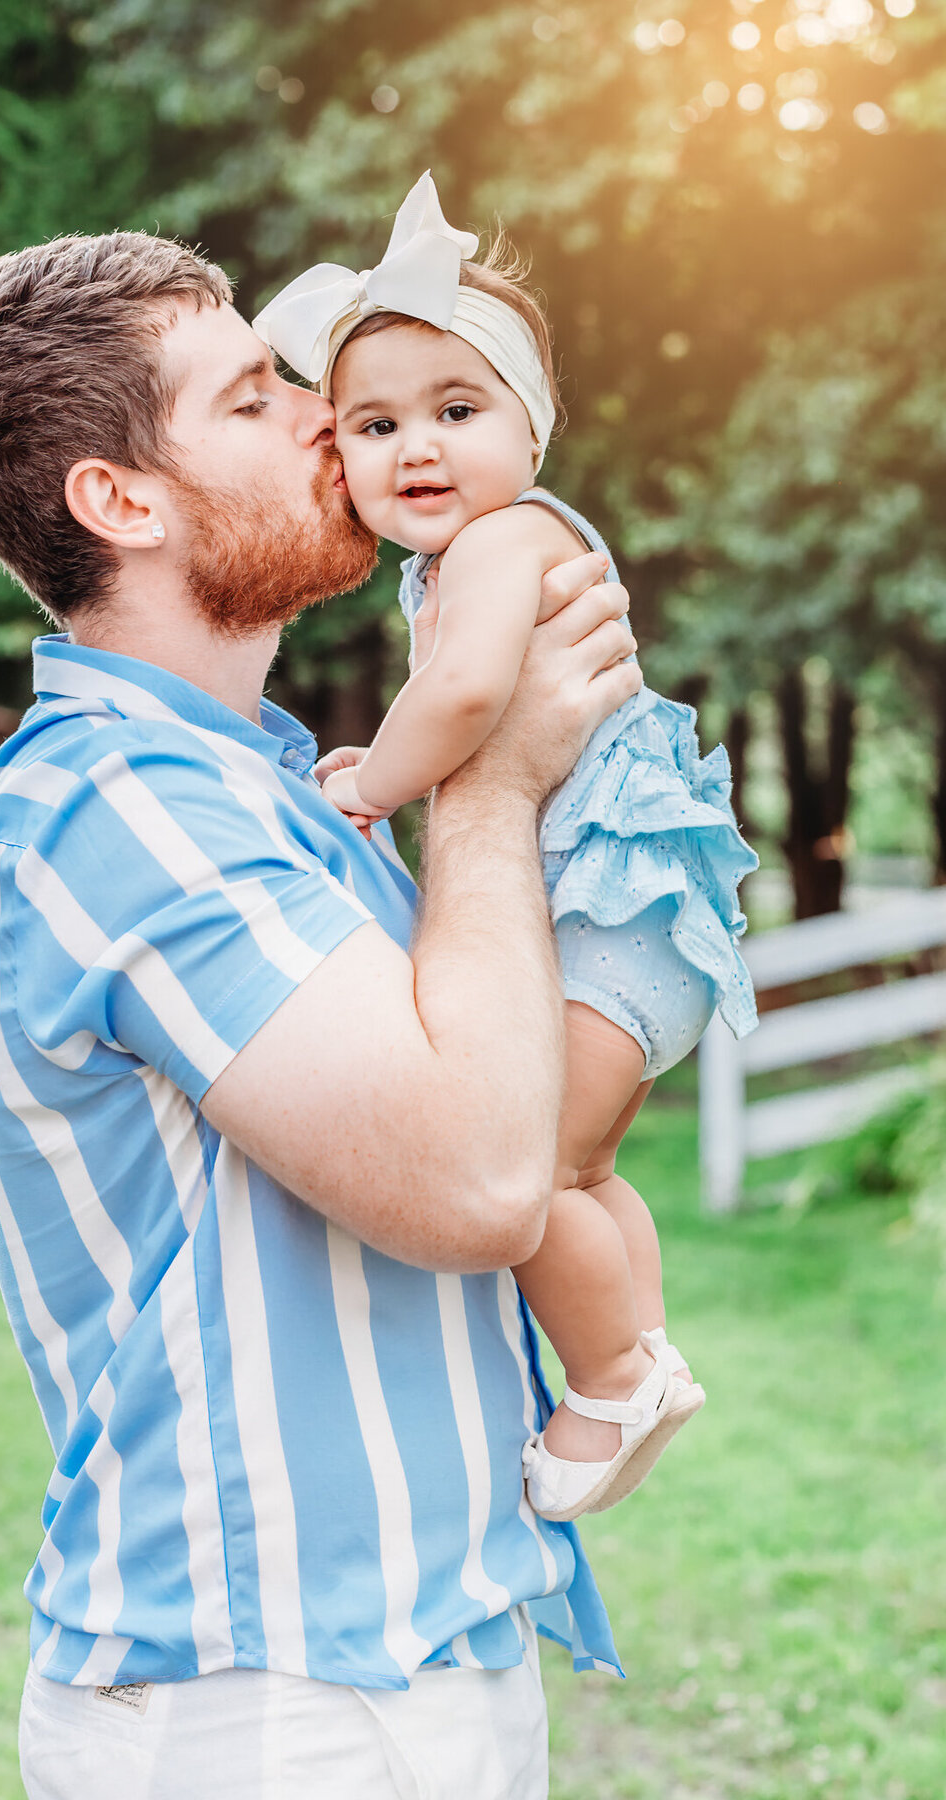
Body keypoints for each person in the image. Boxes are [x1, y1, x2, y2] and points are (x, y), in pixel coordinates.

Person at [0, 227, 639, 1800]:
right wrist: (495, 785)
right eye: (255, 399)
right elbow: (478, 1178)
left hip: (403, 1658)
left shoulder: (271, 787)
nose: (330, 413)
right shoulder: (125, 797)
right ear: (122, 501)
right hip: (267, 1704)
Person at [255, 174, 759, 1526]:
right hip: (635, 913)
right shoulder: (473, 549)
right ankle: (639, 1353)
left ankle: (609, 1380)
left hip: (612, 906)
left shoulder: (500, 543)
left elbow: (473, 698)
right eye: (375, 424)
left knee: (526, 1167)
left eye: (457, 411)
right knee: (584, 1167)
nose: (416, 447)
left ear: (529, 430)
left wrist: (378, 782)